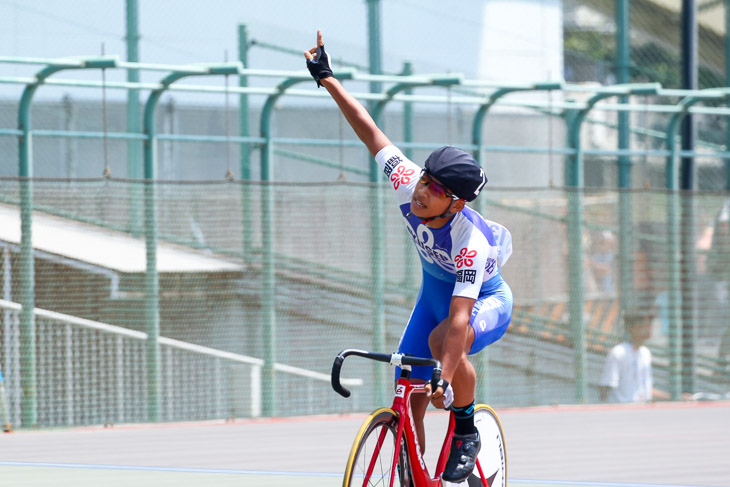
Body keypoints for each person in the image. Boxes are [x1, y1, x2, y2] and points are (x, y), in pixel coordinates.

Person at [305, 31, 513, 482]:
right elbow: (369, 129)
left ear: (456, 203)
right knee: (407, 389)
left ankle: (465, 428)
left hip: (483, 303)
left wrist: (446, 375)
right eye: (424, 181)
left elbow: (459, 322)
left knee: (441, 348)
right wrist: (327, 78)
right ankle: (419, 476)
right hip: (433, 298)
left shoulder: (469, 242)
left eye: (435, 190)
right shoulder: (408, 182)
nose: (421, 192)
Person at [598, 312, 665, 403]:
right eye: (642, 324)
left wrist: (680, 397)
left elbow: (646, 390)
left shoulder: (645, 353)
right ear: (630, 328)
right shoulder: (618, 352)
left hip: (643, 410)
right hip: (624, 411)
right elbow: (606, 387)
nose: (648, 327)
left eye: (649, 323)